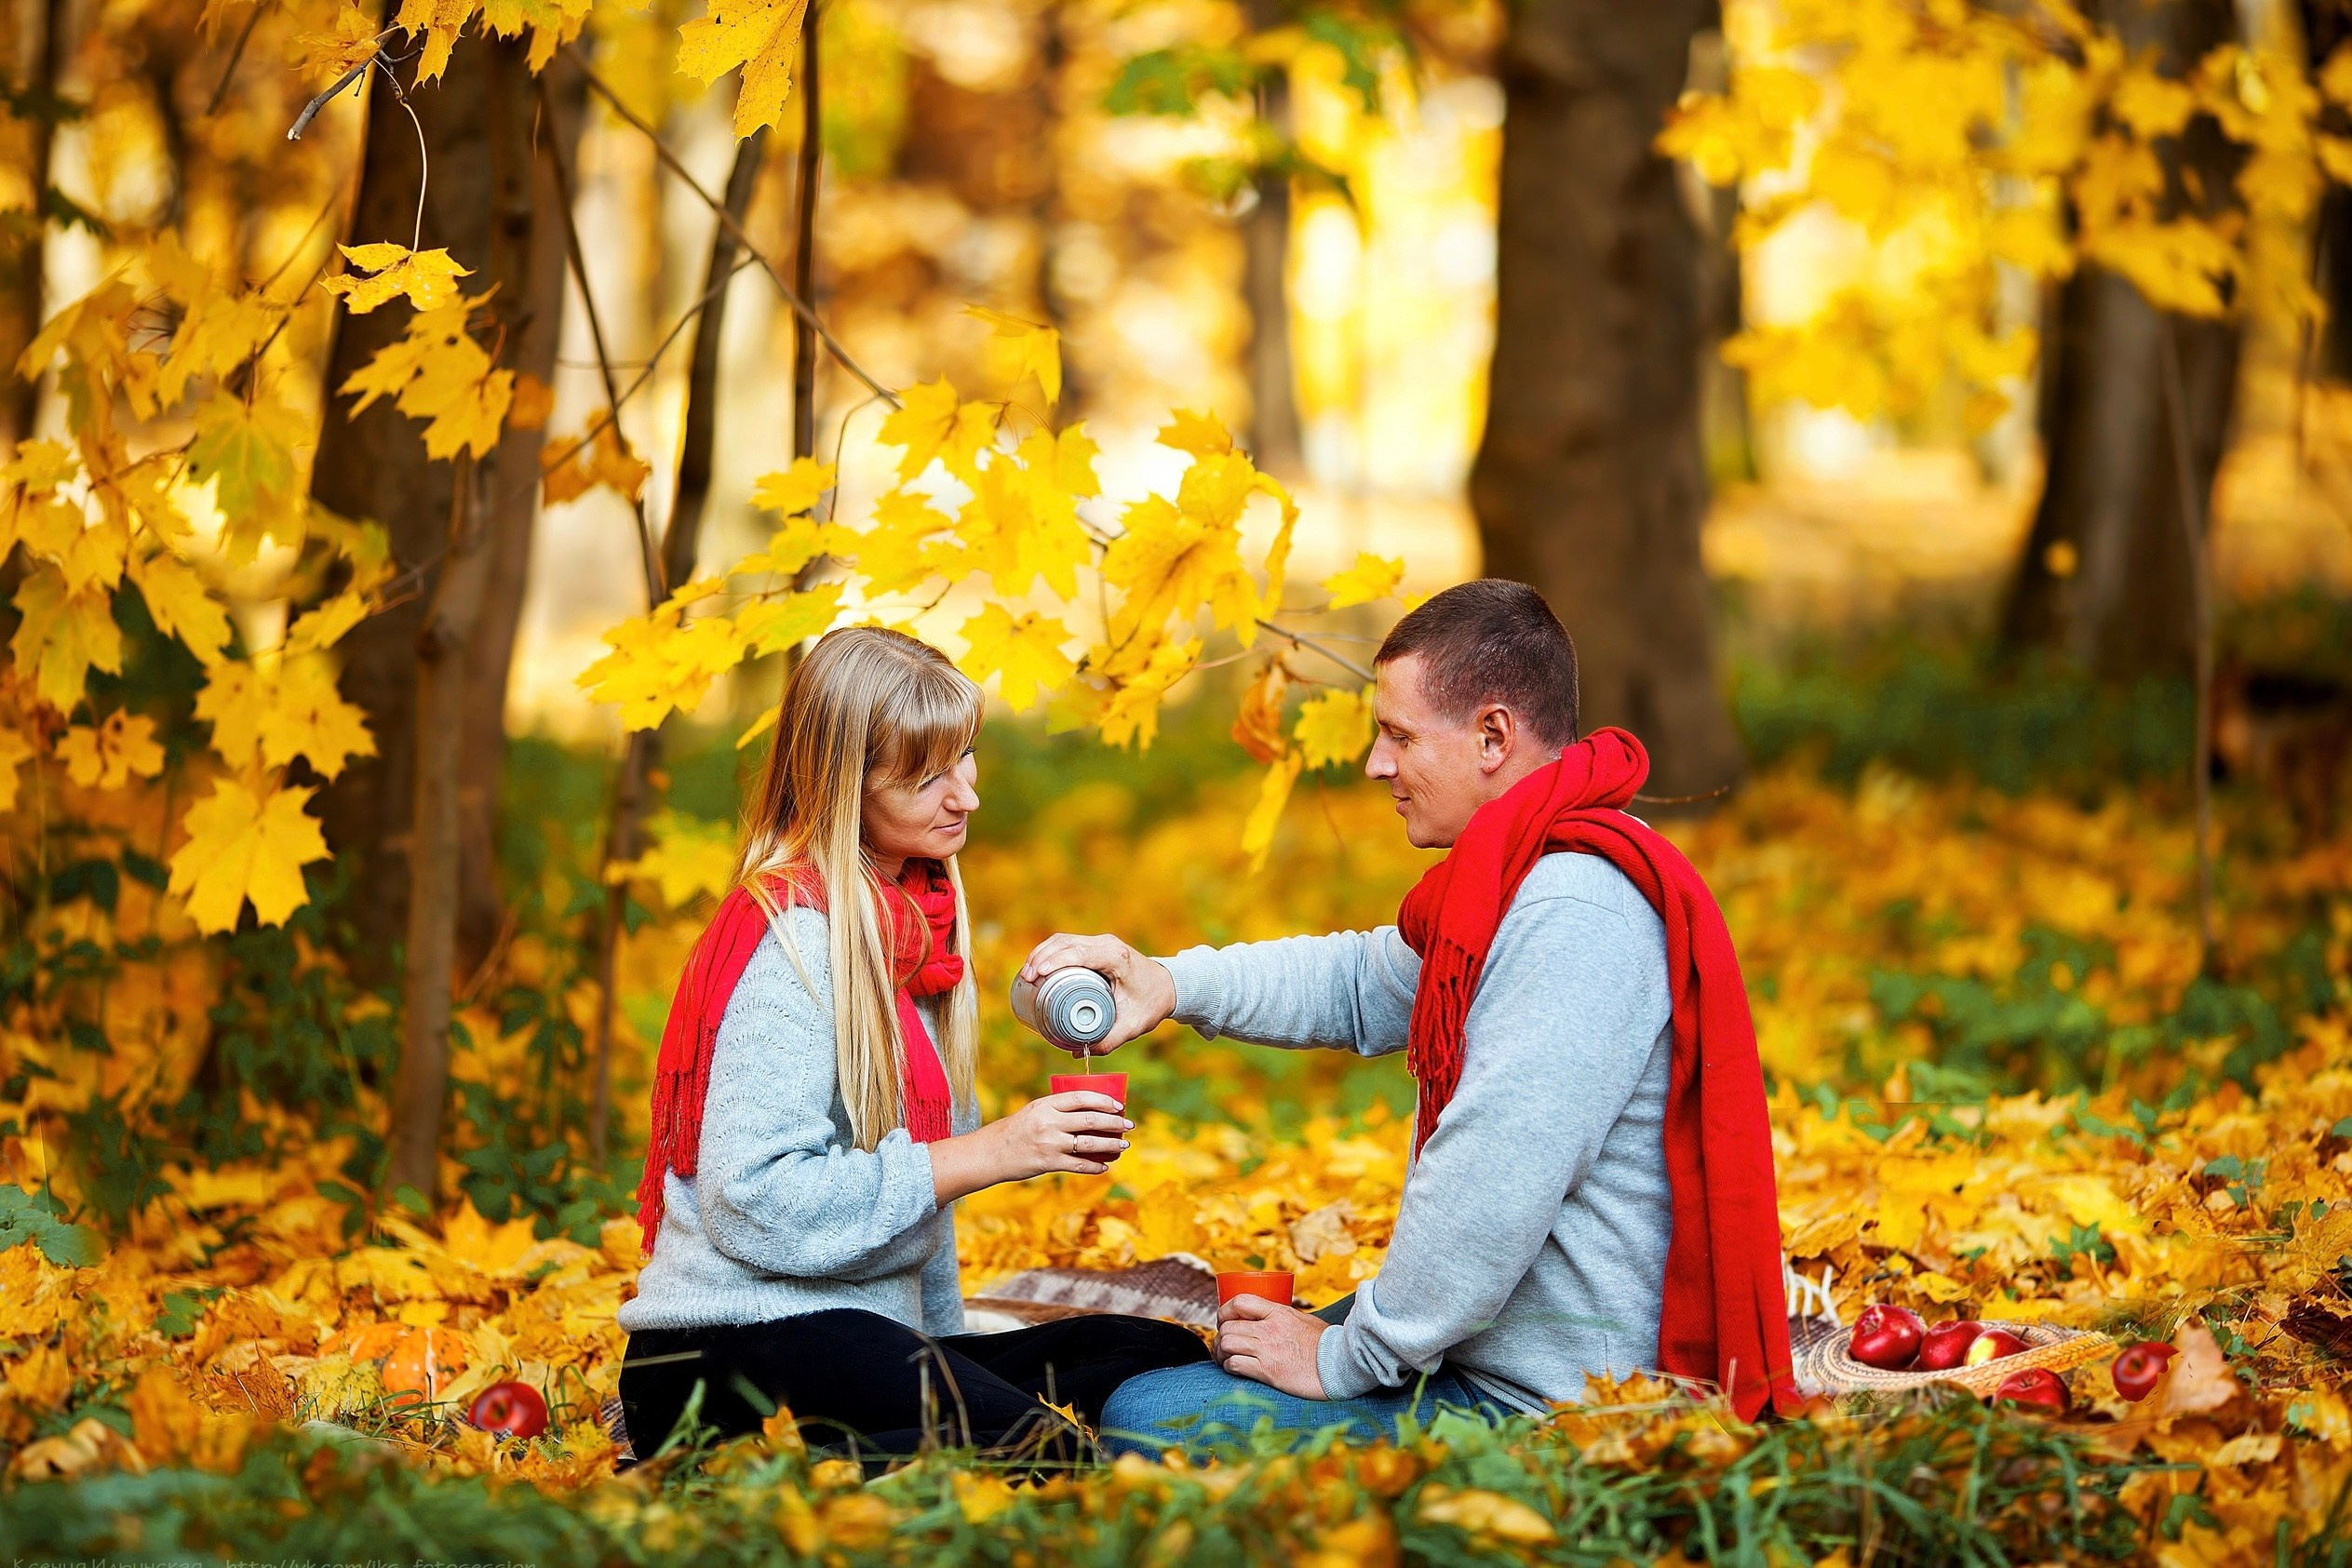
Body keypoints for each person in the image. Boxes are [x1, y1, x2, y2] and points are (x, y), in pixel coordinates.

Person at [1022, 580, 1797, 1455]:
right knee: (1152, 1365)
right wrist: (1169, 983)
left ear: (1493, 735)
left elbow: (1491, 1178)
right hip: (1498, 1338)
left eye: (1397, 735)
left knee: (1151, 1414)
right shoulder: (1512, 877)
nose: (1375, 764)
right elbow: (1359, 981)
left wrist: (1353, 1356)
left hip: (1562, 1401)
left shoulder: (1572, 910)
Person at [616, 627, 1207, 1464]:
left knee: (1147, 1351)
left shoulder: (913, 929)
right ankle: (797, 1470)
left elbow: (920, 1233)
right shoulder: (794, 943)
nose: (964, 794)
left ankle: (878, 1451)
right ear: (843, 787)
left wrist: (939, 1344)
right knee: (1048, 1457)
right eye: (926, 776)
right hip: (728, 1349)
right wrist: (989, 1151)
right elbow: (750, 1200)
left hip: (857, 1330)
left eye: (965, 756)